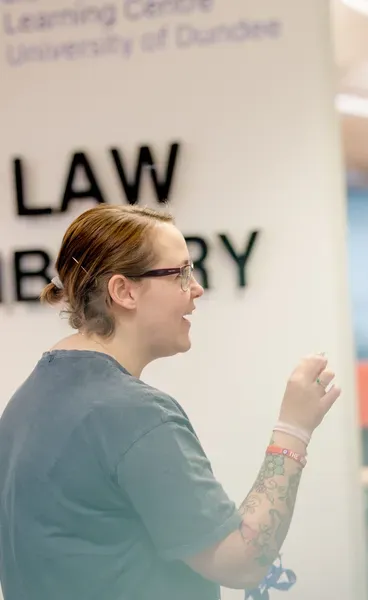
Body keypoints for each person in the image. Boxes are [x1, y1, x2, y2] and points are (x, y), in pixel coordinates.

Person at [0, 204, 342, 600]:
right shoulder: (133, 414)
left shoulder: (25, 403)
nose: (196, 289)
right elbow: (241, 559)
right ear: (123, 291)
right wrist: (294, 429)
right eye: (180, 274)